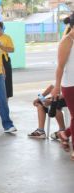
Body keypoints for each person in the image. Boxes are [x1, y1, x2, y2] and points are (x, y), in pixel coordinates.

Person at [52, 13, 74, 160]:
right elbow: (60, 66)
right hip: (70, 84)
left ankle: (65, 134)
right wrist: (57, 87)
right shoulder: (67, 41)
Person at [0, 21, 15, 112]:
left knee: (7, 82)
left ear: (2, 29)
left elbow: (12, 49)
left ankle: (5, 104)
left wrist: (2, 47)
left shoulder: (7, 37)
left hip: (4, 60)